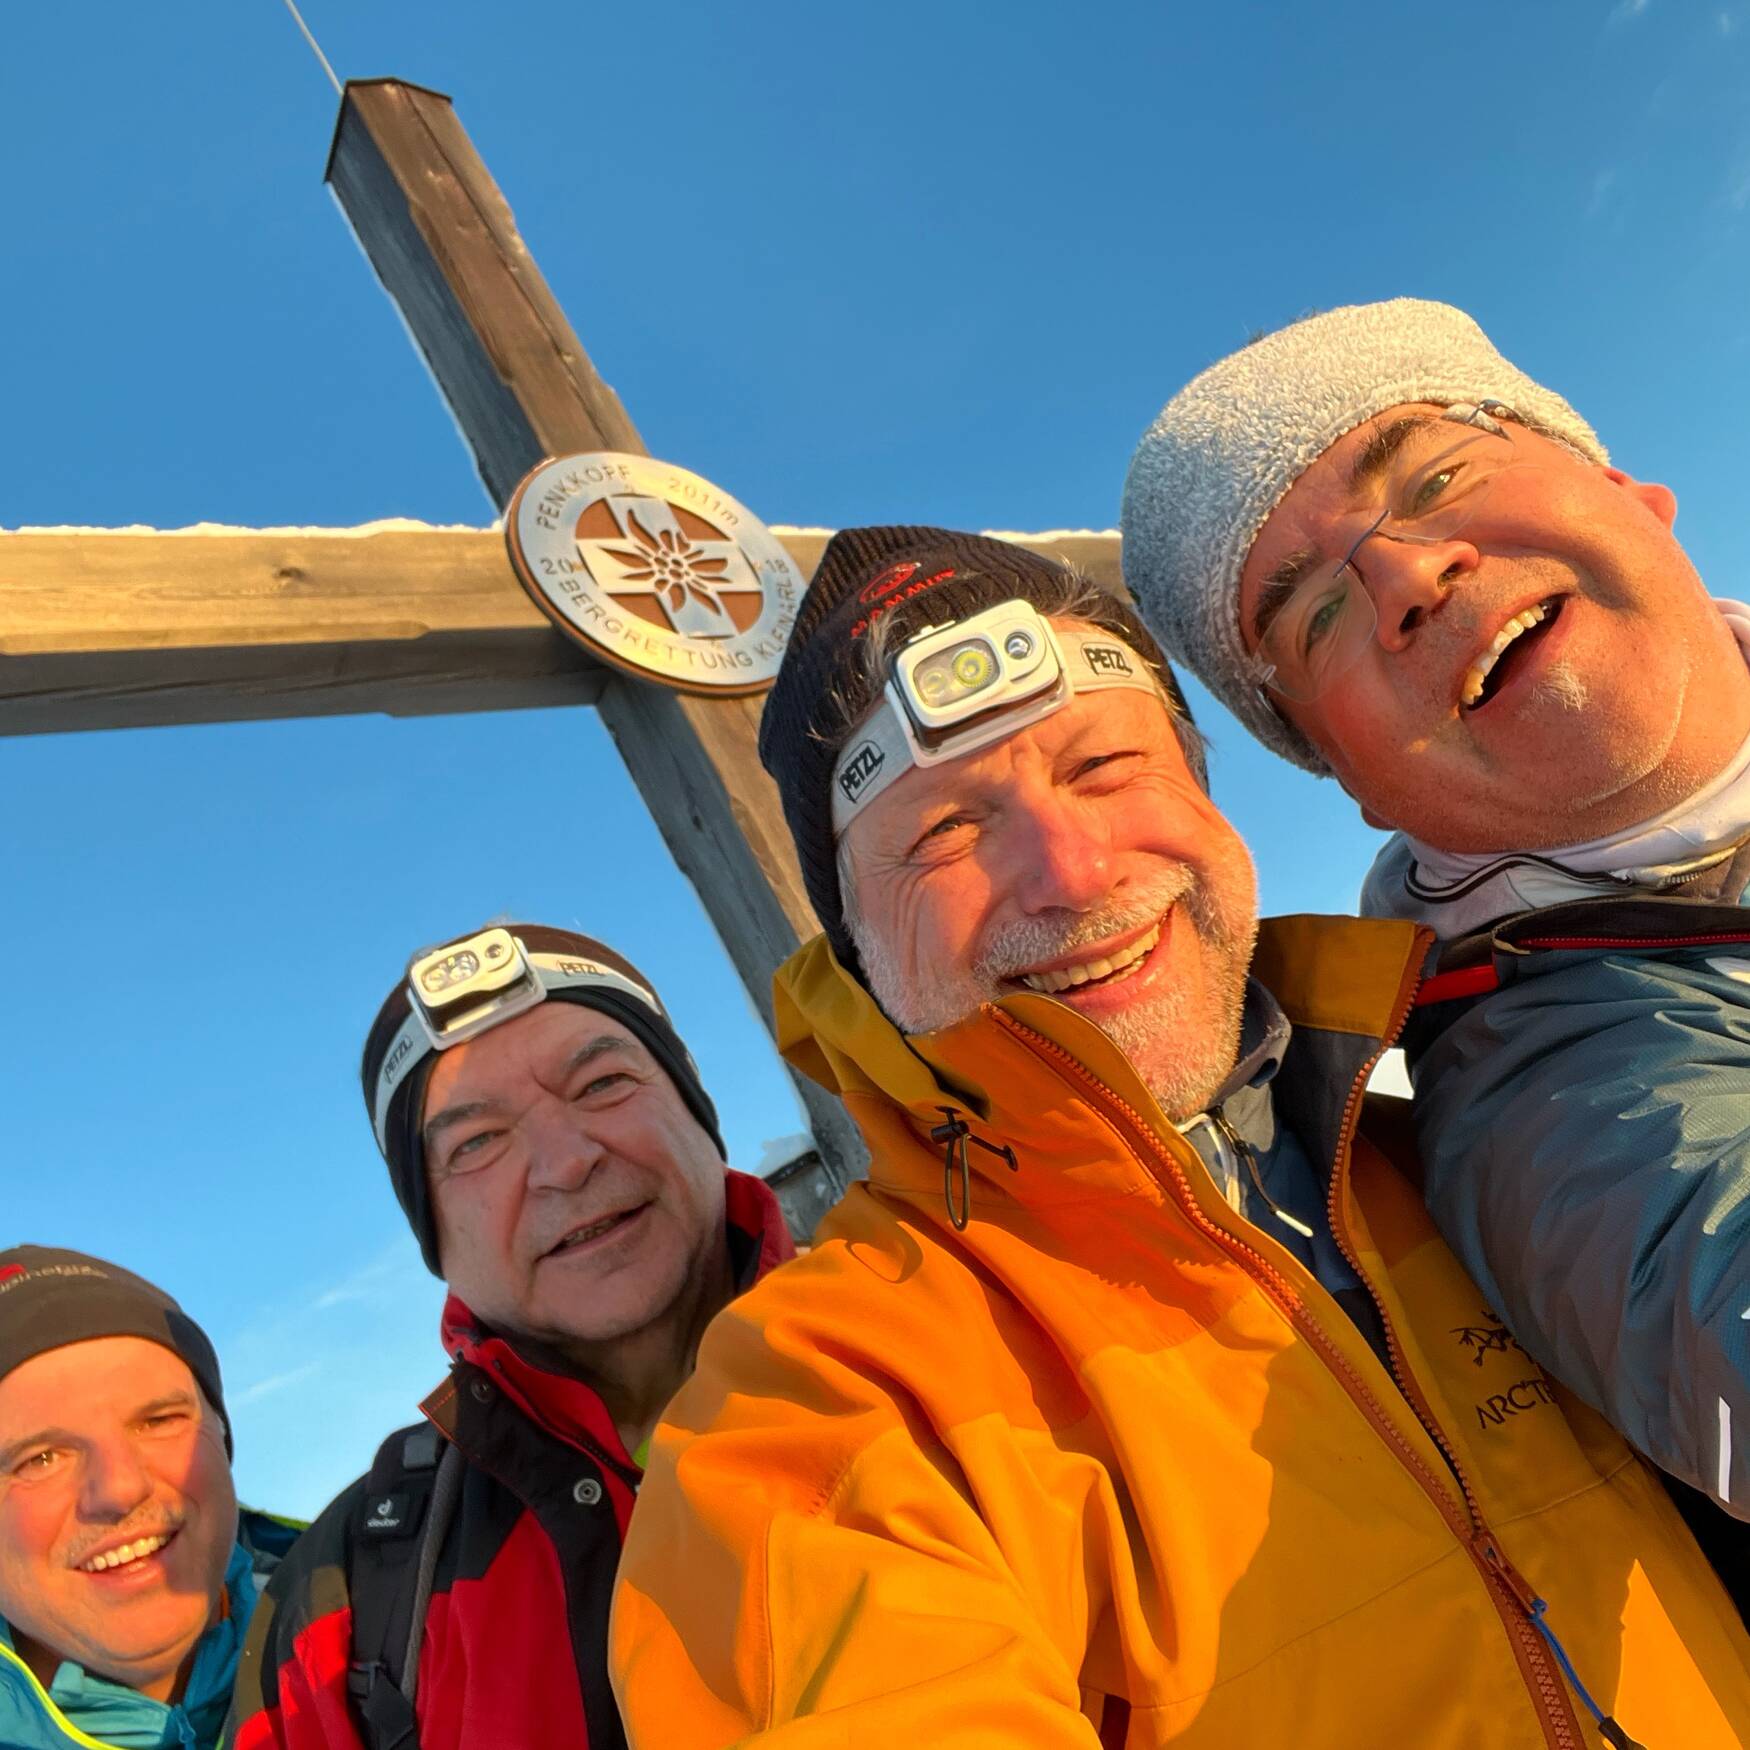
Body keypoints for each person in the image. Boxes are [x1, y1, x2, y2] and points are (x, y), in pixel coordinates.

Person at [609, 526, 1750, 1747]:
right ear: (859, 956)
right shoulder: (823, 1403)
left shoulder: (1467, 1156)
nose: (1069, 867)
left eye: (1103, 764)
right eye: (943, 832)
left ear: (1202, 786)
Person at [1121, 297, 1750, 1520]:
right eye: (1312, 617)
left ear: (1624, 486)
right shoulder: (1545, 1096)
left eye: (1435, 473)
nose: (1406, 576)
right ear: (1348, 779)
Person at [227, 924, 794, 1750]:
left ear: (696, 1109)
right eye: (478, 1143)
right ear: (436, 1237)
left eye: (601, 1083)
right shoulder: (344, 1593)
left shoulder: (944, 1356)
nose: (564, 1163)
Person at [0, 1245, 296, 1749]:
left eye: (158, 1420)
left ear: (222, 1436)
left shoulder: (404, 1626)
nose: (120, 1489)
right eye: (40, 1458)